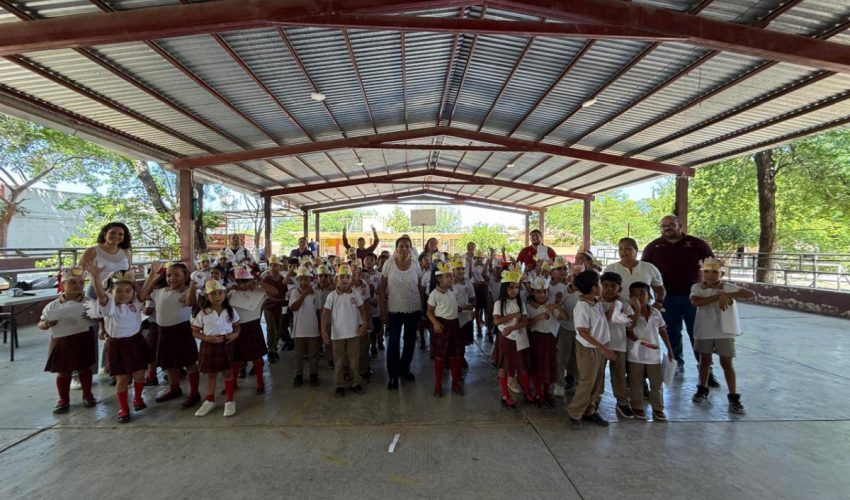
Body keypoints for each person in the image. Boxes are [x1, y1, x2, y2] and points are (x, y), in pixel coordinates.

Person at [642, 215, 716, 383]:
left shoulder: (697, 244)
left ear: (680, 226)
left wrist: (711, 288)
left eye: (671, 225)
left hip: (694, 298)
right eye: (663, 226)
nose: (667, 228)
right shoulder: (653, 247)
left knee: (698, 333)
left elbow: (712, 265)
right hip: (667, 299)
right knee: (671, 333)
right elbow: (644, 272)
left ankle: (706, 369)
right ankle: (676, 365)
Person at [690, 258, 755, 414]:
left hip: (724, 331)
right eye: (706, 271)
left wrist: (727, 293)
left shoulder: (728, 287)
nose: (710, 275)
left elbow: (750, 293)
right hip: (704, 330)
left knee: (726, 362)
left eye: (714, 272)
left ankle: (733, 395)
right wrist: (720, 296)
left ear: (722, 273)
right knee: (704, 361)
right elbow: (696, 302)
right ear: (701, 273)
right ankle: (702, 388)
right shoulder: (697, 287)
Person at [89, 266, 152, 424]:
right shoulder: (109, 307)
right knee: (122, 379)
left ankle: (138, 399)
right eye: (119, 291)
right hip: (117, 345)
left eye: (127, 291)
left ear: (132, 292)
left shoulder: (136, 304)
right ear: (112, 292)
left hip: (135, 342)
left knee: (139, 375)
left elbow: (143, 293)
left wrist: (152, 276)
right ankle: (124, 408)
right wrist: (95, 277)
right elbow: (101, 295)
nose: (123, 294)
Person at [139, 262, 201, 409]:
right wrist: (152, 276)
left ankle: (194, 392)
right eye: (168, 275)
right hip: (163, 332)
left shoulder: (187, 291)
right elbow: (142, 296)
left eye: (176, 275)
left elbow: (190, 302)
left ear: (185, 275)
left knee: (189, 362)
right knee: (169, 363)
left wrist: (192, 286)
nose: (172, 278)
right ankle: (174, 388)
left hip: (182, 331)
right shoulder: (160, 291)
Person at [38, 267, 97, 414]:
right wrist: (46, 324)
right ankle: (63, 400)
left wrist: (93, 317)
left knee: (84, 367)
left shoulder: (88, 301)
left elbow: (98, 317)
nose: (77, 286)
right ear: (62, 285)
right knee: (63, 371)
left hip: (82, 337)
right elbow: (41, 324)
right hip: (62, 340)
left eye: (81, 283)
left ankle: (87, 395)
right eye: (72, 283)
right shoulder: (52, 306)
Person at [566, 270, 616, 430]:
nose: (603, 288)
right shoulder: (582, 307)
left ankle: (590, 410)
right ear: (594, 288)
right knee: (587, 381)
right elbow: (582, 331)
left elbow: (603, 321)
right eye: (601, 284)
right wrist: (603, 348)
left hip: (599, 347)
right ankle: (575, 412)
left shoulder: (595, 303)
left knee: (598, 381)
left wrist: (613, 307)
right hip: (589, 348)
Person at [191, 279, 240, 417]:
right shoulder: (203, 313)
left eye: (220, 293)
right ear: (207, 296)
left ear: (225, 294)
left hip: (226, 344)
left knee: (227, 373)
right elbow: (195, 331)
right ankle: (209, 400)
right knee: (211, 374)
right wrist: (207, 338)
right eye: (213, 294)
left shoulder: (230, 311)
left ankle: (230, 401)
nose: (217, 296)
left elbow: (237, 326)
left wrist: (234, 335)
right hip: (209, 345)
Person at [379, 236, 422, 391]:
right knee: (393, 342)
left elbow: (420, 288)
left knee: (410, 341)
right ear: (396, 248)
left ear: (410, 248)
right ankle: (393, 376)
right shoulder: (388, 264)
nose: (404, 249)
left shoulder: (416, 264)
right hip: (394, 310)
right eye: (401, 246)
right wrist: (383, 310)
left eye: (407, 246)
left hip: (413, 309)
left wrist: (422, 308)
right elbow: (382, 288)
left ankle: (405, 369)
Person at [627, 281, 673, 421]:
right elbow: (629, 330)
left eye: (642, 293)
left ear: (649, 296)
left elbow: (662, 330)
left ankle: (658, 409)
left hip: (653, 355)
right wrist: (638, 310)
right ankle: (637, 407)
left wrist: (670, 350)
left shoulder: (655, 313)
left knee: (656, 383)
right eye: (635, 295)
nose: (639, 297)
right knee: (636, 382)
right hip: (636, 355)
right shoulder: (629, 312)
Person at [321, 264, 368, 397]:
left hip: (353, 333)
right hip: (337, 335)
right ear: (337, 279)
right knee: (339, 361)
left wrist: (364, 324)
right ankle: (340, 385)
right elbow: (325, 313)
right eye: (342, 277)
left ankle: (355, 382)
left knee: (354, 360)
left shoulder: (356, 294)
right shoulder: (332, 296)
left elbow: (362, 310)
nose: (345, 279)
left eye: (347, 277)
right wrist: (323, 330)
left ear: (351, 279)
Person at [228, 266, 275, 394]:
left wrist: (260, 282)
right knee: (236, 358)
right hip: (236, 328)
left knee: (257, 358)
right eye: (239, 282)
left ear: (251, 280)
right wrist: (229, 288)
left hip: (253, 326)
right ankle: (234, 382)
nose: (242, 285)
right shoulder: (232, 293)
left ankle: (260, 383)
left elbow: (275, 292)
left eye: (245, 281)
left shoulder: (259, 292)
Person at [493, 268, 531, 409]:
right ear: (505, 288)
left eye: (516, 287)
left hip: (520, 338)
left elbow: (525, 321)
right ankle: (505, 395)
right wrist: (512, 317)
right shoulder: (499, 304)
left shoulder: (520, 302)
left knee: (522, 366)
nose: (514, 290)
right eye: (511, 287)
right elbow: (497, 321)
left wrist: (512, 328)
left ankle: (527, 392)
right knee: (504, 366)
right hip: (506, 339)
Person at [599, 271, 634, 419]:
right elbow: (599, 322)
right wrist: (611, 311)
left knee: (619, 374)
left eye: (613, 286)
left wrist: (627, 316)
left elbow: (631, 320)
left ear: (619, 289)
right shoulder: (595, 302)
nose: (608, 289)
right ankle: (595, 399)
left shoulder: (624, 303)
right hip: (600, 345)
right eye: (605, 285)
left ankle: (622, 402)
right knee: (597, 374)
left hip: (618, 344)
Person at [426, 262, 464, 397]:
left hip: (454, 326)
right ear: (439, 279)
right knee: (439, 357)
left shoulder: (452, 292)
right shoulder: (434, 294)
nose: (451, 278)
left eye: (451, 276)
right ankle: (438, 385)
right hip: (442, 326)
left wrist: (462, 308)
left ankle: (455, 383)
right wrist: (435, 323)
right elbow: (429, 311)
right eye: (447, 276)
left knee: (454, 356)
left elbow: (453, 307)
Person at [527, 276, 563, 408]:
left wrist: (558, 306)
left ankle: (547, 393)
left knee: (549, 366)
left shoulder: (551, 305)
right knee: (538, 367)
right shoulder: (529, 307)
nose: (542, 294)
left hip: (550, 339)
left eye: (545, 291)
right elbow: (527, 325)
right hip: (536, 339)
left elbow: (564, 317)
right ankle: (538, 394)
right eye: (538, 292)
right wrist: (539, 317)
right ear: (533, 292)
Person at [604, 237, 665, 304]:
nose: (623, 251)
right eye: (620, 249)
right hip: (619, 310)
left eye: (627, 248)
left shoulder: (649, 267)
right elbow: (604, 291)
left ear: (636, 250)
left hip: (644, 309)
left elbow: (659, 290)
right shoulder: (611, 269)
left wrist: (658, 303)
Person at [289, 265, 322, 387]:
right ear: (297, 280)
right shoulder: (294, 293)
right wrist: (304, 295)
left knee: (313, 354)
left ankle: (313, 374)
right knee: (299, 354)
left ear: (310, 280)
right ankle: (299, 375)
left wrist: (320, 328)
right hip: (299, 330)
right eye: (301, 279)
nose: (303, 281)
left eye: (306, 279)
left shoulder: (316, 294)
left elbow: (319, 311)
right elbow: (294, 307)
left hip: (312, 329)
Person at [261, 255, 288, 362]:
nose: (273, 267)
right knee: (271, 328)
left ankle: (274, 347)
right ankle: (270, 349)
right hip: (268, 306)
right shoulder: (266, 278)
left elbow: (284, 292)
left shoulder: (282, 279)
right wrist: (280, 300)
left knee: (278, 327)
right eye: (271, 265)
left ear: (279, 267)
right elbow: (267, 295)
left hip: (278, 306)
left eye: (275, 265)